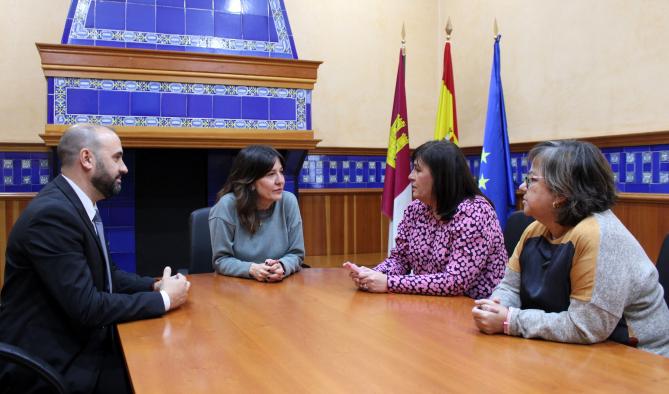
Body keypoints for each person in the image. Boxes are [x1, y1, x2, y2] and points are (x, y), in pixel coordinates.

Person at [0, 124, 191, 393]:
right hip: (53, 363)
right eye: (117, 157)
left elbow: (108, 274)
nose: (124, 167)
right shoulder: (53, 215)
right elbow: (87, 307)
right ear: (87, 159)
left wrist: (153, 285)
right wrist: (165, 300)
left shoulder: (76, 205)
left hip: (79, 343)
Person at [472, 140, 669, 357]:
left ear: (561, 193)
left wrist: (510, 321)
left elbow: (585, 326)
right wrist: (494, 307)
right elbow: (511, 287)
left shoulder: (601, 235)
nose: (522, 187)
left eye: (531, 180)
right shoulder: (535, 229)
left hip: (639, 359)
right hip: (569, 350)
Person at [343, 140, 506, 298]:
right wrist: (370, 275)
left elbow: (455, 281)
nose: (410, 176)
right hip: (431, 304)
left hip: (477, 310)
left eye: (417, 170)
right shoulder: (416, 209)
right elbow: (400, 260)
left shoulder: (475, 212)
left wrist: (388, 282)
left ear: (441, 177)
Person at [209, 145, 304, 282]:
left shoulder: (288, 201)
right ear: (251, 182)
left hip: (279, 285)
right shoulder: (226, 206)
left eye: (281, 172)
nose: (280, 181)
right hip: (237, 287)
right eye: (271, 174)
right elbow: (221, 260)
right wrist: (252, 269)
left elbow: (296, 253)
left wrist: (282, 266)